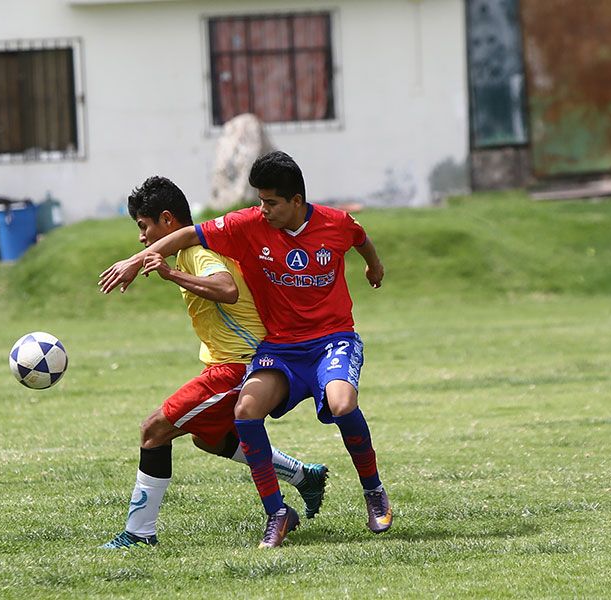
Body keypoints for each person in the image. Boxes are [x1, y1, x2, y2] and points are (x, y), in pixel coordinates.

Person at [100, 151, 393, 548]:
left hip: (288, 352)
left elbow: (357, 237)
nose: (262, 209)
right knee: (220, 429)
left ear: (295, 201)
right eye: (260, 201)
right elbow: (195, 235)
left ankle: (139, 533)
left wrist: (373, 267)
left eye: (270, 202)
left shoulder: (329, 223)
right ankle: (284, 502)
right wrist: (141, 258)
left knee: (155, 430)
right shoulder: (244, 225)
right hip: (279, 350)